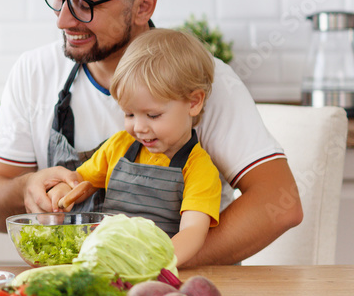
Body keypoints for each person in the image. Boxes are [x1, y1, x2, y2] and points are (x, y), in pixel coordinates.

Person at [0, 0, 303, 267]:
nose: (63, 20)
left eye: (84, 6)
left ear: (143, 6)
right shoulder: (34, 71)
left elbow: (280, 202)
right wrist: (25, 188)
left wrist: (147, 265)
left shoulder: (204, 79)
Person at [44, 28, 222, 265]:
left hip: (156, 271)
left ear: (193, 102)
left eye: (153, 115)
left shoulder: (199, 169)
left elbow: (193, 233)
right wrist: (62, 193)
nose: (139, 127)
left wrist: (150, 264)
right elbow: (79, 181)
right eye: (129, 113)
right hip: (106, 262)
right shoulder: (119, 146)